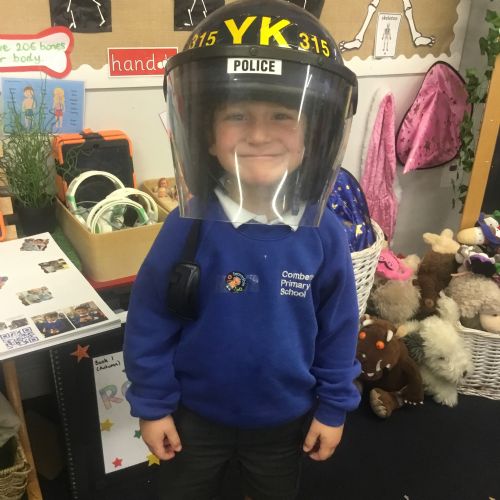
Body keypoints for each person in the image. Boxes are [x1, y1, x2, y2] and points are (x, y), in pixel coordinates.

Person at [123, 1, 361, 499]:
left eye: (281, 116)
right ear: (207, 135)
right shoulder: (185, 226)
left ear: (312, 135)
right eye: (237, 115)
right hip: (193, 418)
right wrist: (152, 404)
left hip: (284, 423)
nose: (258, 134)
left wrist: (333, 407)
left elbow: (338, 331)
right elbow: (149, 320)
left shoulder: (324, 234)